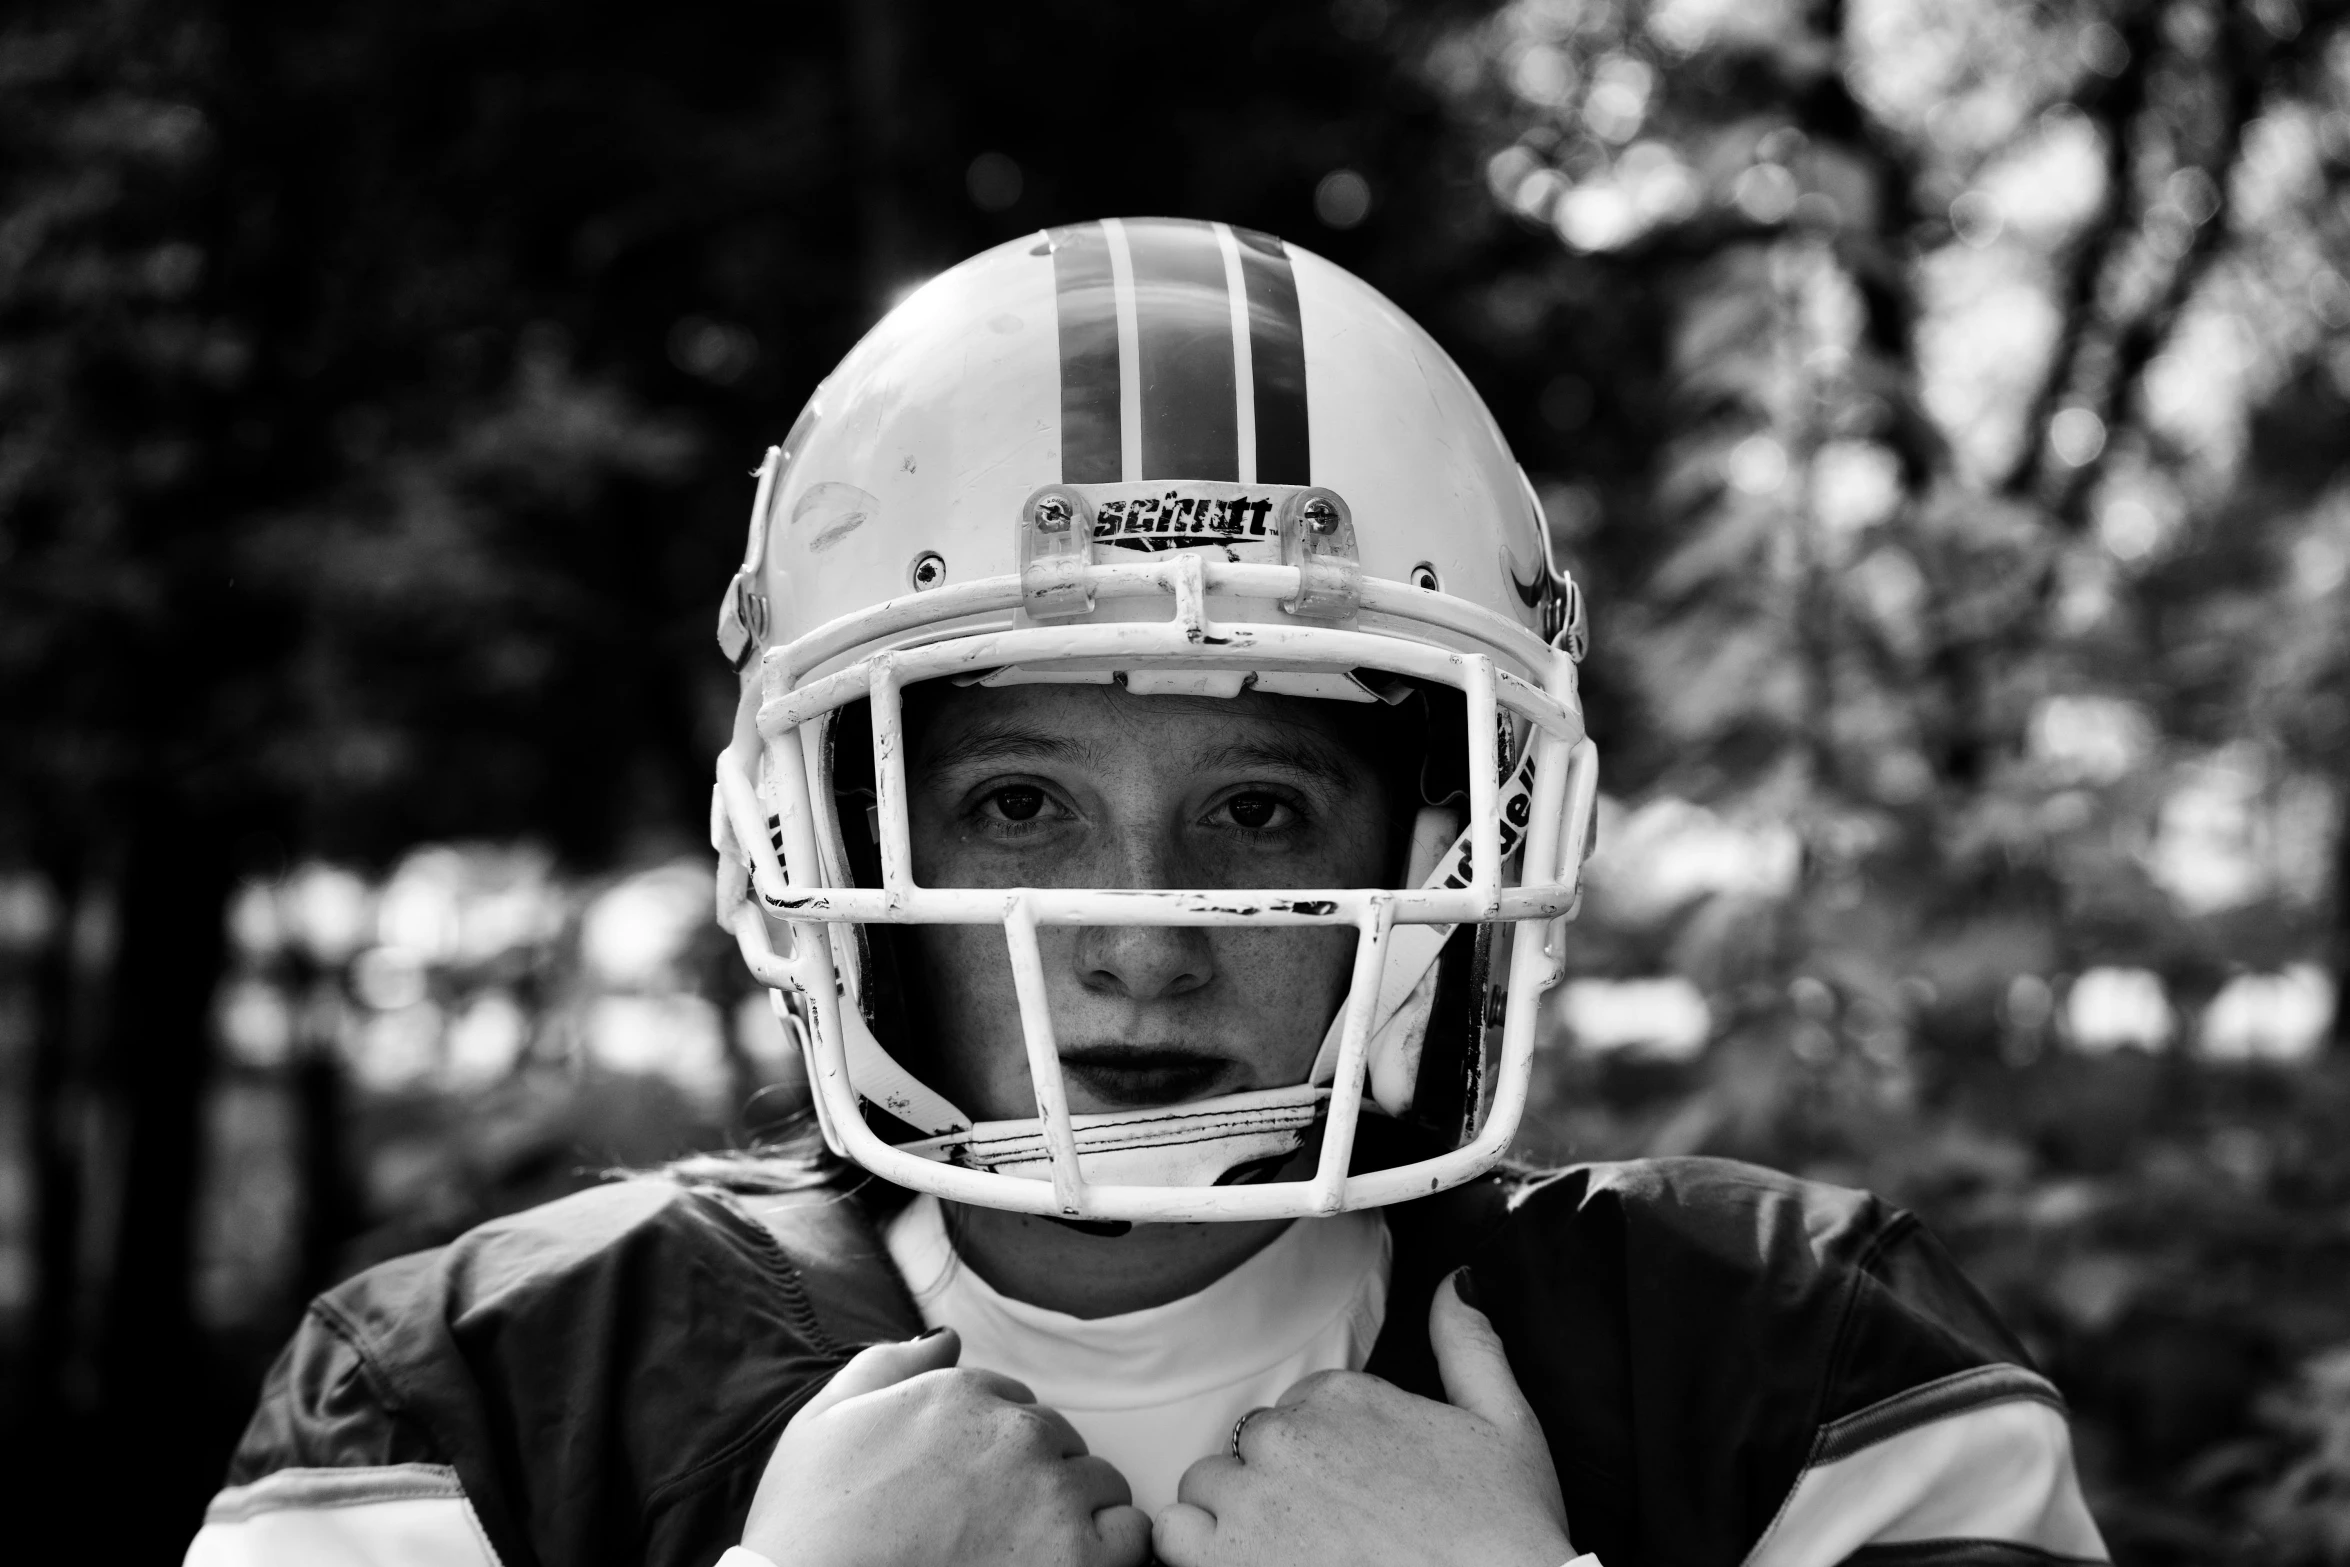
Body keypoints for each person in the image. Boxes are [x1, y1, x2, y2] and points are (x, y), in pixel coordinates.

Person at [185, 218, 2110, 1567]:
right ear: (828, 840)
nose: (1136, 935)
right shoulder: (477, 1395)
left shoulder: (1790, 1364)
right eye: (1020, 801)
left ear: (1450, 842)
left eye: (1261, 810)